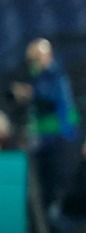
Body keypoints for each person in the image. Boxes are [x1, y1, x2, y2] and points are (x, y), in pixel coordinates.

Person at [8, 38, 81, 210]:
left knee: (55, 185)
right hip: (42, 141)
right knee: (40, 185)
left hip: (60, 139)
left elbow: (51, 99)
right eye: (31, 59)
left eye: (37, 57)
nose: (34, 62)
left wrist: (30, 93)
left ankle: (54, 221)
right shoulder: (34, 76)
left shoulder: (56, 75)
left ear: (48, 56)